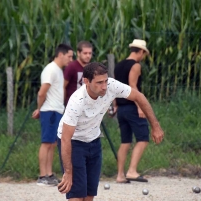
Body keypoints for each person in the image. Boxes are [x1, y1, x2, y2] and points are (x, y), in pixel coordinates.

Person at [57, 62, 164, 200]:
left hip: (94, 140)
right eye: (99, 82)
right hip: (74, 143)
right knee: (76, 195)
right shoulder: (77, 101)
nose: (104, 86)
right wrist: (68, 172)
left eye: (106, 81)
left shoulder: (112, 86)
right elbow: (66, 139)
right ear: (86, 81)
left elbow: (139, 97)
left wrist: (155, 126)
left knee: (89, 195)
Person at [32, 44, 73, 186]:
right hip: (49, 110)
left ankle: (49, 174)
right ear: (60, 55)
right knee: (46, 143)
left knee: (53, 143)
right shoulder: (50, 69)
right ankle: (42, 175)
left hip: (57, 110)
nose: (70, 59)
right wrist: (39, 108)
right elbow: (42, 92)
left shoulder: (58, 71)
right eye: (69, 56)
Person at [113, 39, 151, 183]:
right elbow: (132, 86)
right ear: (141, 51)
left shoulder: (119, 65)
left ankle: (120, 175)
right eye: (144, 53)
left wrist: (115, 105)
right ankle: (132, 171)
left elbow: (116, 87)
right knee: (143, 139)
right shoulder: (135, 66)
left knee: (125, 142)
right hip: (132, 107)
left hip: (121, 108)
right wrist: (140, 106)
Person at [64, 41, 93, 106]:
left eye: (90, 53)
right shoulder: (71, 67)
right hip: (73, 104)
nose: (88, 56)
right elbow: (63, 86)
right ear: (78, 53)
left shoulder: (91, 68)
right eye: (85, 53)